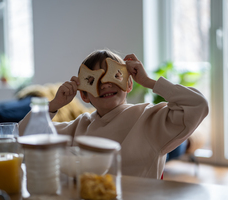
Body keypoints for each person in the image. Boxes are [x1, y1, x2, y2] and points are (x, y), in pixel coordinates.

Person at [19, 50, 209, 179]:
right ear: (84, 94)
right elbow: (22, 139)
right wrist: (53, 105)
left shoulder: (149, 118)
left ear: (129, 84)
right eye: (93, 80)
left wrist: (149, 82)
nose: (105, 83)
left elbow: (197, 105)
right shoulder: (79, 126)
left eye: (115, 76)